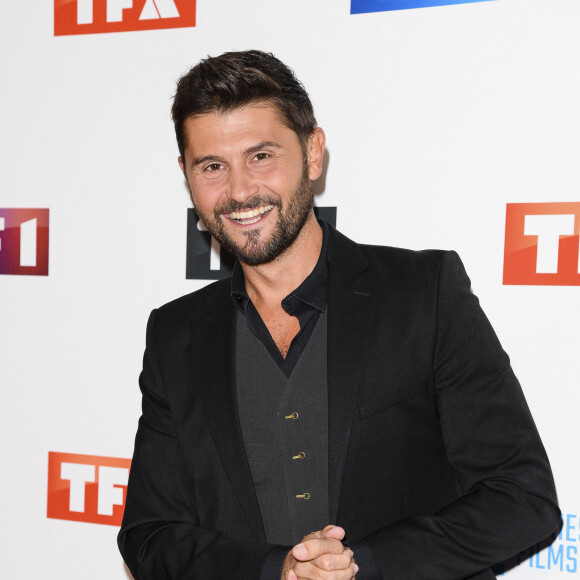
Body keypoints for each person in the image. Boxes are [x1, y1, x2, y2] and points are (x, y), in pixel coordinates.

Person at [118, 50, 559, 580]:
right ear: (189, 178)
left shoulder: (424, 294)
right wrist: (273, 570)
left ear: (313, 153)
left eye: (261, 156)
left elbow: (520, 498)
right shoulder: (175, 335)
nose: (238, 191)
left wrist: (364, 565)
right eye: (212, 166)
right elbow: (150, 535)